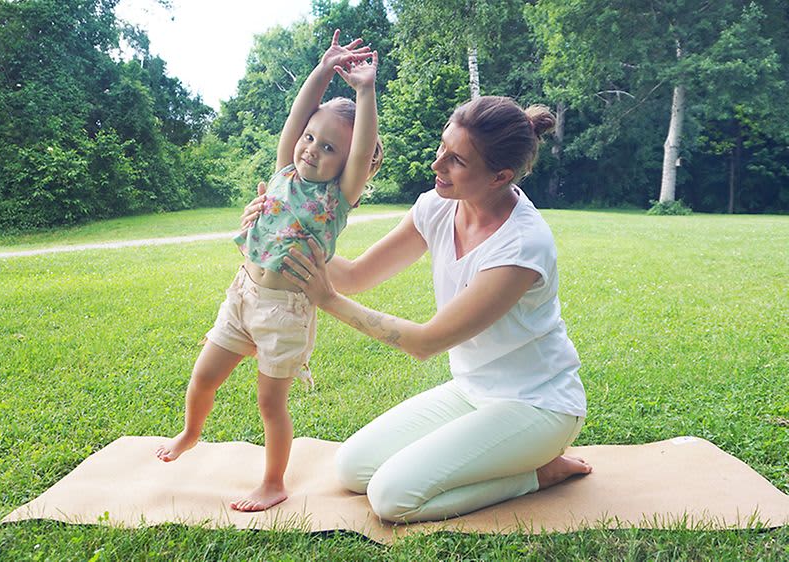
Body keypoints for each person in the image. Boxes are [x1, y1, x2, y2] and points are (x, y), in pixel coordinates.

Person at [244, 95, 591, 523]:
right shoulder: (438, 206)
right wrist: (279, 228)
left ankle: (536, 474)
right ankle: (513, 462)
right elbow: (354, 274)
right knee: (352, 468)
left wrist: (327, 301)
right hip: (471, 390)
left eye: (456, 161)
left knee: (392, 498)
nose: (437, 165)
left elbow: (426, 342)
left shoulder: (521, 246)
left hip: (538, 405)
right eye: (442, 147)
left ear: (500, 176)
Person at [155, 29, 382, 513]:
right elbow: (298, 115)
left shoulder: (336, 198)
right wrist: (323, 70)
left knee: (269, 404)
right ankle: (191, 432)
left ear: (345, 167)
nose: (311, 150)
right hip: (242, 295)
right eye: (311, 139)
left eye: (328, 150)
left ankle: (274, 481)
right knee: (203, 378)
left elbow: (361, 150)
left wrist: (365, 92)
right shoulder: (283, 170)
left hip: (287, 311)